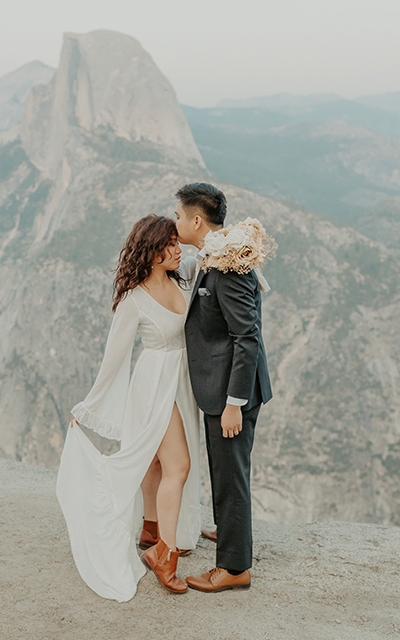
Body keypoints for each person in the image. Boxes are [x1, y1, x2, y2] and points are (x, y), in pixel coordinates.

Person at [56, 215, 202, 602]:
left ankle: (151, 528)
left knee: (155, 463)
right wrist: (88, 406)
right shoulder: (134, 301)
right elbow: (114, 360)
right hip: (155, 385)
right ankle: (164, 555)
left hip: (181, 380)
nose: (178, 249)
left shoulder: (183, 274)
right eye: (170, 244)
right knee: (178, 466)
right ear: (152, 252)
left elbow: (208, 252)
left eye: (177, 241)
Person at [173, 182, 273, 592]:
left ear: (196, 220)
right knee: (225, 470)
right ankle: (232, 533)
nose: (175, 221)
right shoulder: (212, 256)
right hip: (223, 386)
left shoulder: (228, 265)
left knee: (230, 475)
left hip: (233, 391)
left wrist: (234, 403)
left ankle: (233, 568)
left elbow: (246, 337)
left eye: (179, 215)